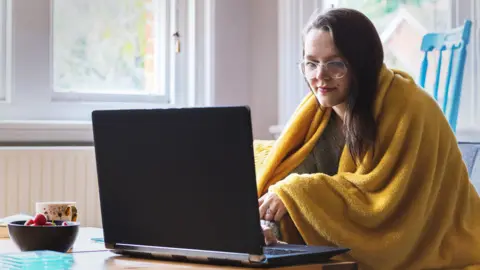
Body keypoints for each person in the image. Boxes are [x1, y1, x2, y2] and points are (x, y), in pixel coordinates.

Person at [255, 7, 480, 270]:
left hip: (443, 246)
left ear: (362, 64)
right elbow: (288, 173)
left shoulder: (412, 109)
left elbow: (388, 209)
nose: (320, 76)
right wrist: (267, 224)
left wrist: (297, 192)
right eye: (311, 63)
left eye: (335, 63)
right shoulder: (318, 113)